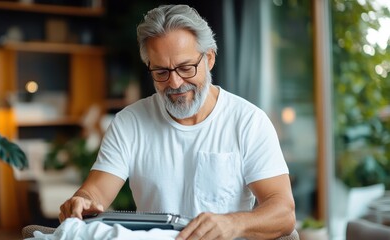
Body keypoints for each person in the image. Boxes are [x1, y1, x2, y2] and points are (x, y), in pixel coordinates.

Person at [59, 4, 296, 240]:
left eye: (185, 68)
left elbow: (283, 212)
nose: (174, 83)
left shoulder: (248, 122)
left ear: (209, 58)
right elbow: (96, 191)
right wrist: (82, 201)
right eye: (161, 72)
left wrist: (233, 224)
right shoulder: (129, 123)